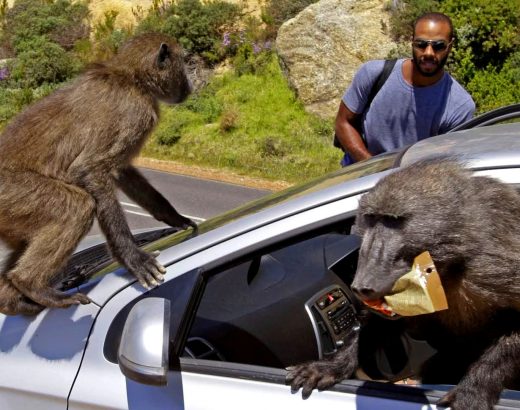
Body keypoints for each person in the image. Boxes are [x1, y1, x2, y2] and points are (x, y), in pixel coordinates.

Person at [335, 12, 475, 166]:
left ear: (450, 46)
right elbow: (344, 122)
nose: (428, 52)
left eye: (438, 46)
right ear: (412, 42)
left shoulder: (459, 105)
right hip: (359, 172)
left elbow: (445, 162)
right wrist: (373, 168)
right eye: (421, 44)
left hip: (413, 184)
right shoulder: (374, 73)